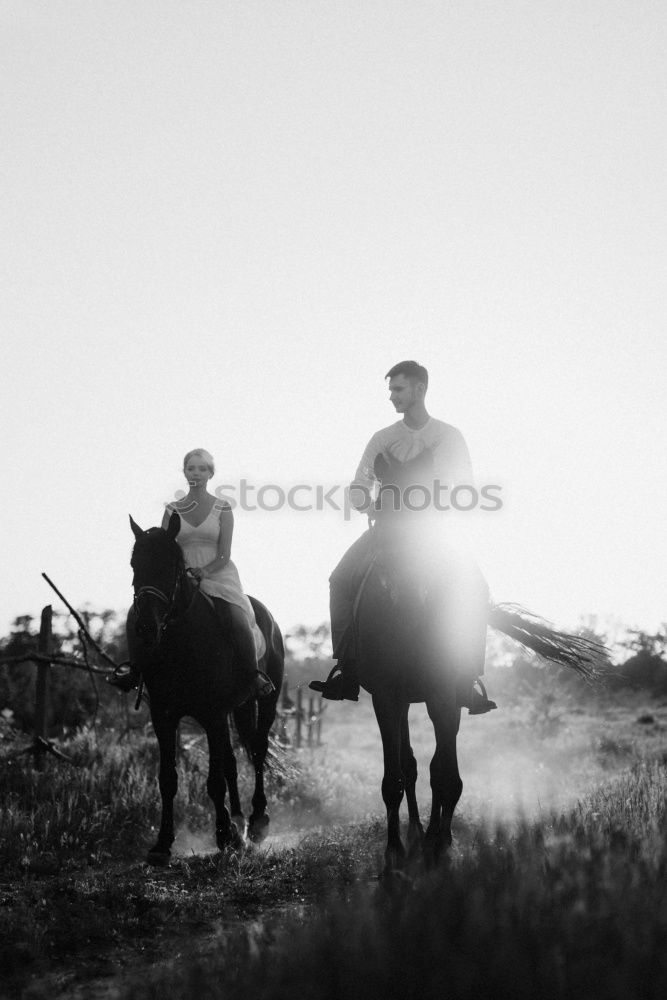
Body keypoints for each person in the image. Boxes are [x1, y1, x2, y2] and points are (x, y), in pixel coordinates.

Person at [311, 361, 496, 714]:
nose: (392, 396)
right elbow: (359, 486)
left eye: (398, 389)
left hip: (435, 531)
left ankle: (469, 676)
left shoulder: (449, 437)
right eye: (391, 389)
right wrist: (366, 502)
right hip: (387, 531)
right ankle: (346, 668)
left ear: (420, 390)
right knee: (340, 579)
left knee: (476, 585)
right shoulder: (382, 439)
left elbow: (466, 489)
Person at [113, 449, 273, 699]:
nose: (196, 472)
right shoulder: (171, 509)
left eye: (202, 468)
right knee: (138, 612)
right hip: (179, 578)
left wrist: (204, 571)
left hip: (217, 575)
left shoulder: (222, 508)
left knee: (236, 616)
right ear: (184, 472)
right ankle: (134, 670)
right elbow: (163, 548)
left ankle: (252, 675)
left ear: (211, 473)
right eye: (191, 468)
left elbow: (224, 554)